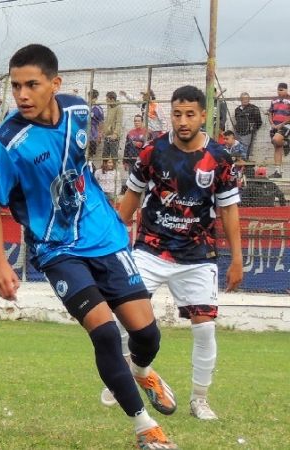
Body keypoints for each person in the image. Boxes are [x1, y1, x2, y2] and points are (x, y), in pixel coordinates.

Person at [0, 44, 178, 450]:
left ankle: (142, 370)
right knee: (105, 334)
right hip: (56, 249)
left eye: (31, 85)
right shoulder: (7, 142)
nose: (21, 95)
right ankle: (145, 429)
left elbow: (78, 165)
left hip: (104, 237)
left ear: (55, 83)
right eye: (16, 86)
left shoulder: (78, 113)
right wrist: (0, 263)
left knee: (148, 335)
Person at [114, 85, 243, 422]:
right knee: (128, 315)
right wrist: (111, 242)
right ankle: (125, 377)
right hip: (151, 248)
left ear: (203, 116)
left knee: (205, 328)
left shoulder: (220, 158)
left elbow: (229, 212)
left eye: (190, 114)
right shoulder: (151, 152)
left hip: (197, 255)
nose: (183, 121)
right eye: (177, 114)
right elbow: (130, 200)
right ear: (170, 114)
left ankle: (199, 399)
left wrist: (238, 259)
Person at [268, 82, 290, 178]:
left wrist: (282, 124)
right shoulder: (274, 100)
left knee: (276, 140)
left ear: (286, 90)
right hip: (274, 126)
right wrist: (272, 124)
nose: (279, 92)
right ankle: (278, 172)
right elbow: (270, 113)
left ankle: (286, 143)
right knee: (277, 147)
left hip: (286, 125)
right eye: (278, 90)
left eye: (281, 90)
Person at [233, 92, 262, 160]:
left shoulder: (254, 108)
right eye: (243, 99)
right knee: (237, 149)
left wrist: (253, 129)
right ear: (241, 100)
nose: (245, 100)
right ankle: (238, 166)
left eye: (247, 98)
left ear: (249, 99)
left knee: (245, 150)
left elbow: (259, 122)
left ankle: (245, 166)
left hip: (248, 133)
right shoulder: (237, 110)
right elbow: (237, 120)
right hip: (238, 133)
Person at [102, 91, 123, 159]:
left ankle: (114, 169)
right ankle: (105, 169)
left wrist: (115, 134)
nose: (106, 101)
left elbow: (119, 122)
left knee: (113, 156)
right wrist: (104, 131)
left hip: (114, 136)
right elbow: (108, 120)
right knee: (105, 156)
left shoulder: (119, 108)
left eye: (107, 99)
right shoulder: (109, 106)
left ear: (112, 99)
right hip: (107, 134)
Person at [88, 89, 104, 158]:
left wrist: (100, 134)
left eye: (93, 98)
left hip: (93, 134)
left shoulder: (98, 108)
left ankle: (91, 164)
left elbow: (101, 122)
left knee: (91, 154)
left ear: (96, 98)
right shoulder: (86, 106)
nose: (91, 99)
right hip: (85, 133)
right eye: (89, 97)